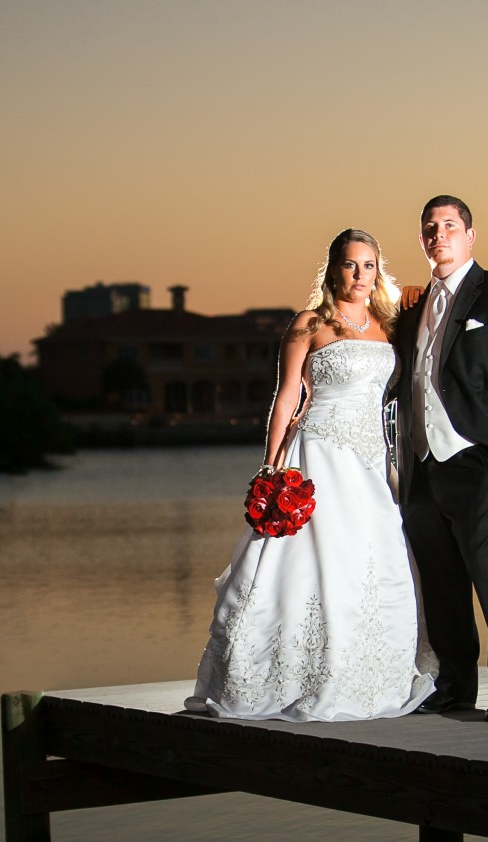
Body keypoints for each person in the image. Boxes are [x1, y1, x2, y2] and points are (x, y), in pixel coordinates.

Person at [185, 228, 437, 721]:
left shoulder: (388, 325)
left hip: (370, 461)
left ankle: (368, 676)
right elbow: (286, 399)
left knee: (373, 562)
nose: (359, 274)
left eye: (368, 265)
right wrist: (271, 466)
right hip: (318, 453)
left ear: (377, 270)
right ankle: (287, 675)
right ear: (333, 270)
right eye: (349, 264)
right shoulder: (310, 323)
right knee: (309, 564)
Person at [393, 195, 488, 722]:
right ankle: (454, 686)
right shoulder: (412, 308)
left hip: (479, 460)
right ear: (421, 239)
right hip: (421, 465)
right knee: (440, 579)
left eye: (450, 226)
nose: (440, 234)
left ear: (471, 235)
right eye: (430, 228)